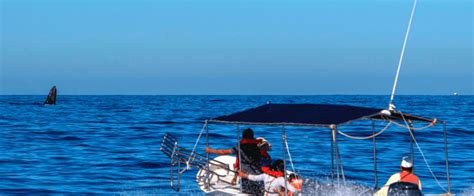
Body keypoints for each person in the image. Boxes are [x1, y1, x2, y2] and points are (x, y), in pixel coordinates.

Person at [205, 128, 263, 194]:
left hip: (246, 177)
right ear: (252, 137)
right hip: (258, 177)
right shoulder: (258, 148)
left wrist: (211, 150)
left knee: (247, 192)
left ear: (243, 137)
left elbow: (224, 152)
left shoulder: (240, 147)